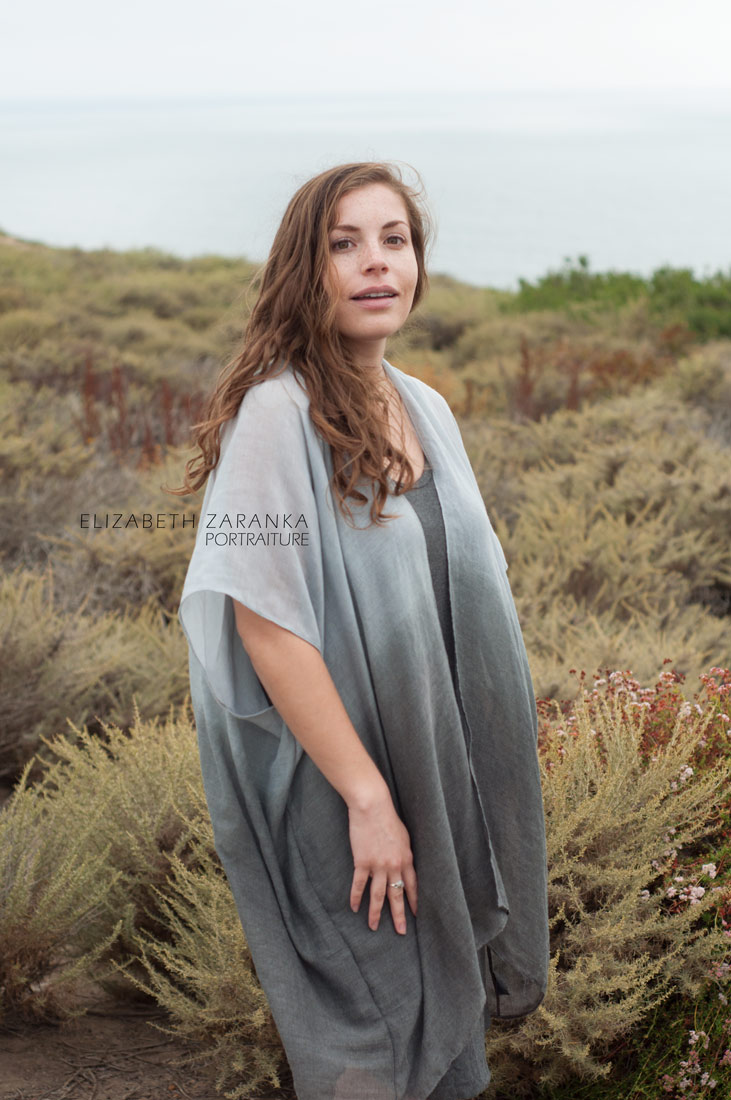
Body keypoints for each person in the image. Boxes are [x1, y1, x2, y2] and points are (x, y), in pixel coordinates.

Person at [175, 162, 549, 1100]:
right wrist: (368, 799)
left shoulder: (426, 408)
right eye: (344, 244)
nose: (375, 263)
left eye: (394, 239)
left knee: (440, 1021)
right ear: (307, 270)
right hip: (341, 790)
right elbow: (266, 626)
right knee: (371, 1036)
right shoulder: (277, 415)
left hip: (430, 775)